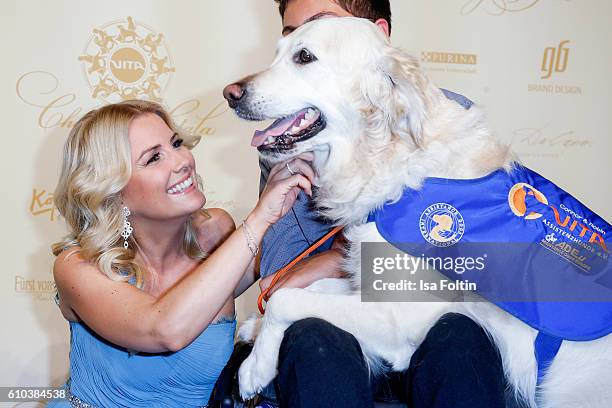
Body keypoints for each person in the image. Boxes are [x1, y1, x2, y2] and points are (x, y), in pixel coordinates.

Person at [255, 1, 519, 407]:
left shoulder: (448, 128)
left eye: (308, 50)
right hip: (341, 350)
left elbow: (455, 278)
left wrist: (337, 258)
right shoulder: (289, 139)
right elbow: (282, 276)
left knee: (459, 334)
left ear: (375, 34)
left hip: (442, 350)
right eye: (290, 38)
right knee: (311, 336)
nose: (295, 48)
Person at [47, 100, 315, 407]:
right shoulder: (78, 266)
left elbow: (290, 268)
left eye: (176, 144)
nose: (182, 160)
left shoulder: (215, 234)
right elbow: (163, 330)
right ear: (113, 190)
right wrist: (257, 220)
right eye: (154, 158)